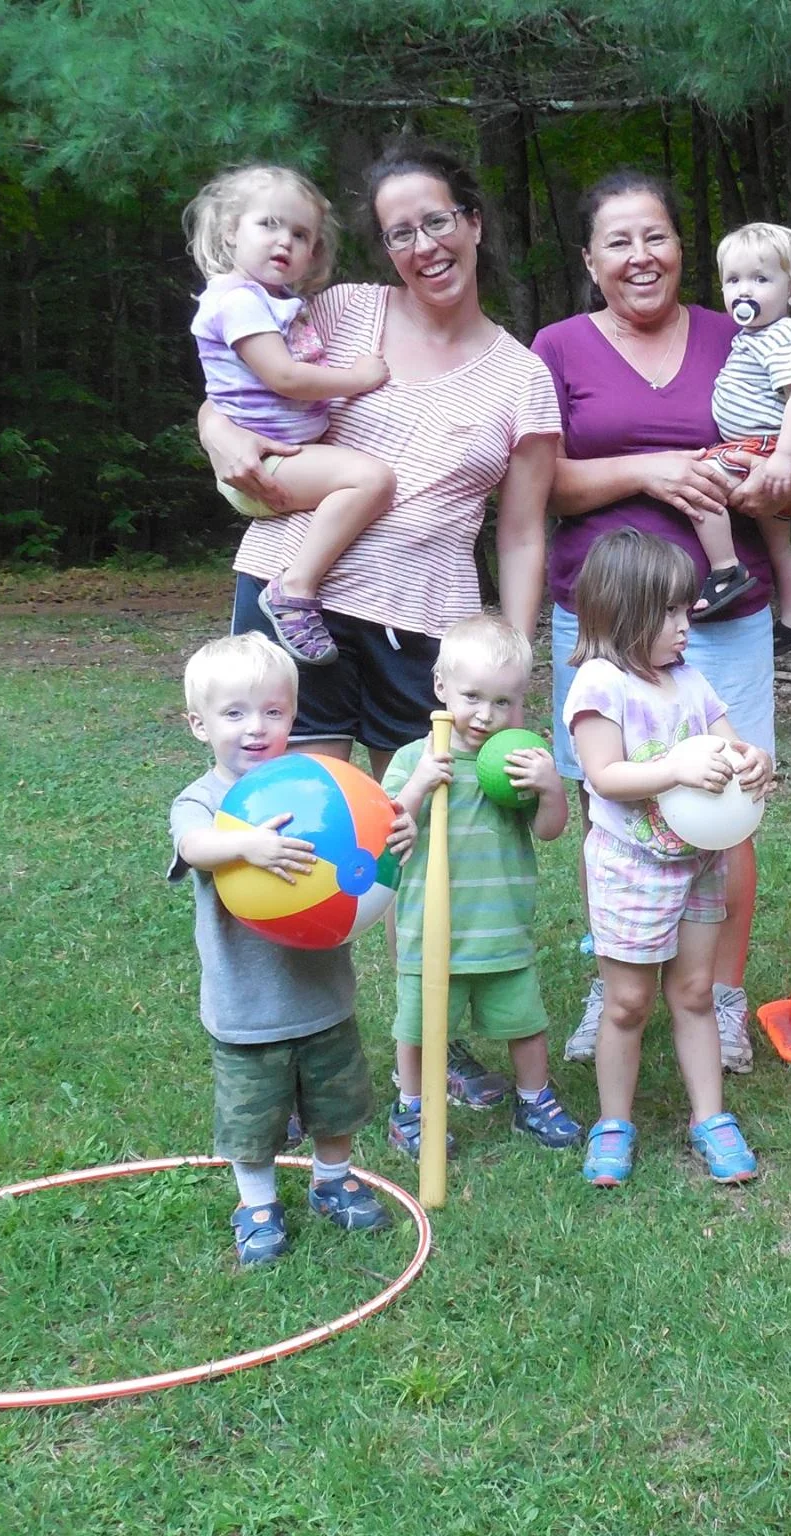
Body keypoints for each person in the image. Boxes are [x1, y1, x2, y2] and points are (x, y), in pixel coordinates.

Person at [200, 140, 560, 1111]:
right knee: (308, 831)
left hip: (426, 629)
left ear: (474, 223)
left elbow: (522, 533)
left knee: (420, 834)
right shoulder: (340, 310)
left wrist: (514, 652)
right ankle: (303, 1045)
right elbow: (228, 384)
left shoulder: (523, 378)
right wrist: (219, 436)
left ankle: (425, 1036)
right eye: (399, 231)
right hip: (289, 593)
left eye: (437, 220)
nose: (421, 245)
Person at [531, 170, 791, 1073]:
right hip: (597, 617)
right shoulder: (556, 347)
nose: (641, 257)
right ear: (590, 260)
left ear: (682, 247)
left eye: (657, 238)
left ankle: (717, 996)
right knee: (614, 800)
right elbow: (542, 481)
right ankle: (620, 983)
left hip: (721, 610)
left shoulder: (739, 330)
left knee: (729, 799)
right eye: (619, 242)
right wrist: (650, 470)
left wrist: (774, 478)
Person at [167, 633, 407, 1264]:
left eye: (274, 712)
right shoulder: (205, 802)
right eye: (235, 713)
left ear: (292, 717)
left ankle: (333, 1181)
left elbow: (367, 830)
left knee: (338, 1102)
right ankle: (257, 1203)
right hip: (247, 1006)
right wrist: (246, 845)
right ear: (199, 725)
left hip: (324, 995)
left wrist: (395, 829)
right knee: (252, 1118)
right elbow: (194, 847)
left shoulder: (316, 785)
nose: (257, 728)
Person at [560, 530, 775, 1188]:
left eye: (687, 610)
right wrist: (674, 766)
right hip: (632, 867)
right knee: (626, 1003)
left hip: (699, 865)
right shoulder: (601, 684)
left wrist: (753, 764)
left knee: (693, 993)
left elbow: (731, 744)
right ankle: (614, 1122)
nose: (688, 624)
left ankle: (710, 1118)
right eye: (672, 612)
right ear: (624, 610)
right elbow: (603, 775)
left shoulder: (690, 680)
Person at [381, 615, 581, 1157]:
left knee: (526, 1022)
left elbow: (549, 831)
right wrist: (421, 783)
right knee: (420, 1028)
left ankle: (533, 1100)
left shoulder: (518, 760)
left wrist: (550, 790)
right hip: (431, 931)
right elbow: (384, 827)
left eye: (504, 702)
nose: (485, 716)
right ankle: (412, 1108)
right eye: (472, 697)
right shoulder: (411, 759)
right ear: (441, 686)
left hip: (501, 926)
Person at [184, 165, 395, 666]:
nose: (285, 242)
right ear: (231, 230)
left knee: (365, 478)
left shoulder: (272, 301)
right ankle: (294, 588)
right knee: (373, 480)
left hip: (283, 457)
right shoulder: (238, 302)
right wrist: (359, 378)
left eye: (301, 235)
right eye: (269, 225)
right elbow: (285, 378)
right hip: (265, 465)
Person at [690, 221, 791, 649]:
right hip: (762, 452)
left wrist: (785, 457)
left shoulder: (781, 336)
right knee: (779, 545)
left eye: (760, 279)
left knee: (700, 485)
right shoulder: (755, 335)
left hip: (763, 449)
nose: (743, 291)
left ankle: (726, 568)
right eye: (733, 280)